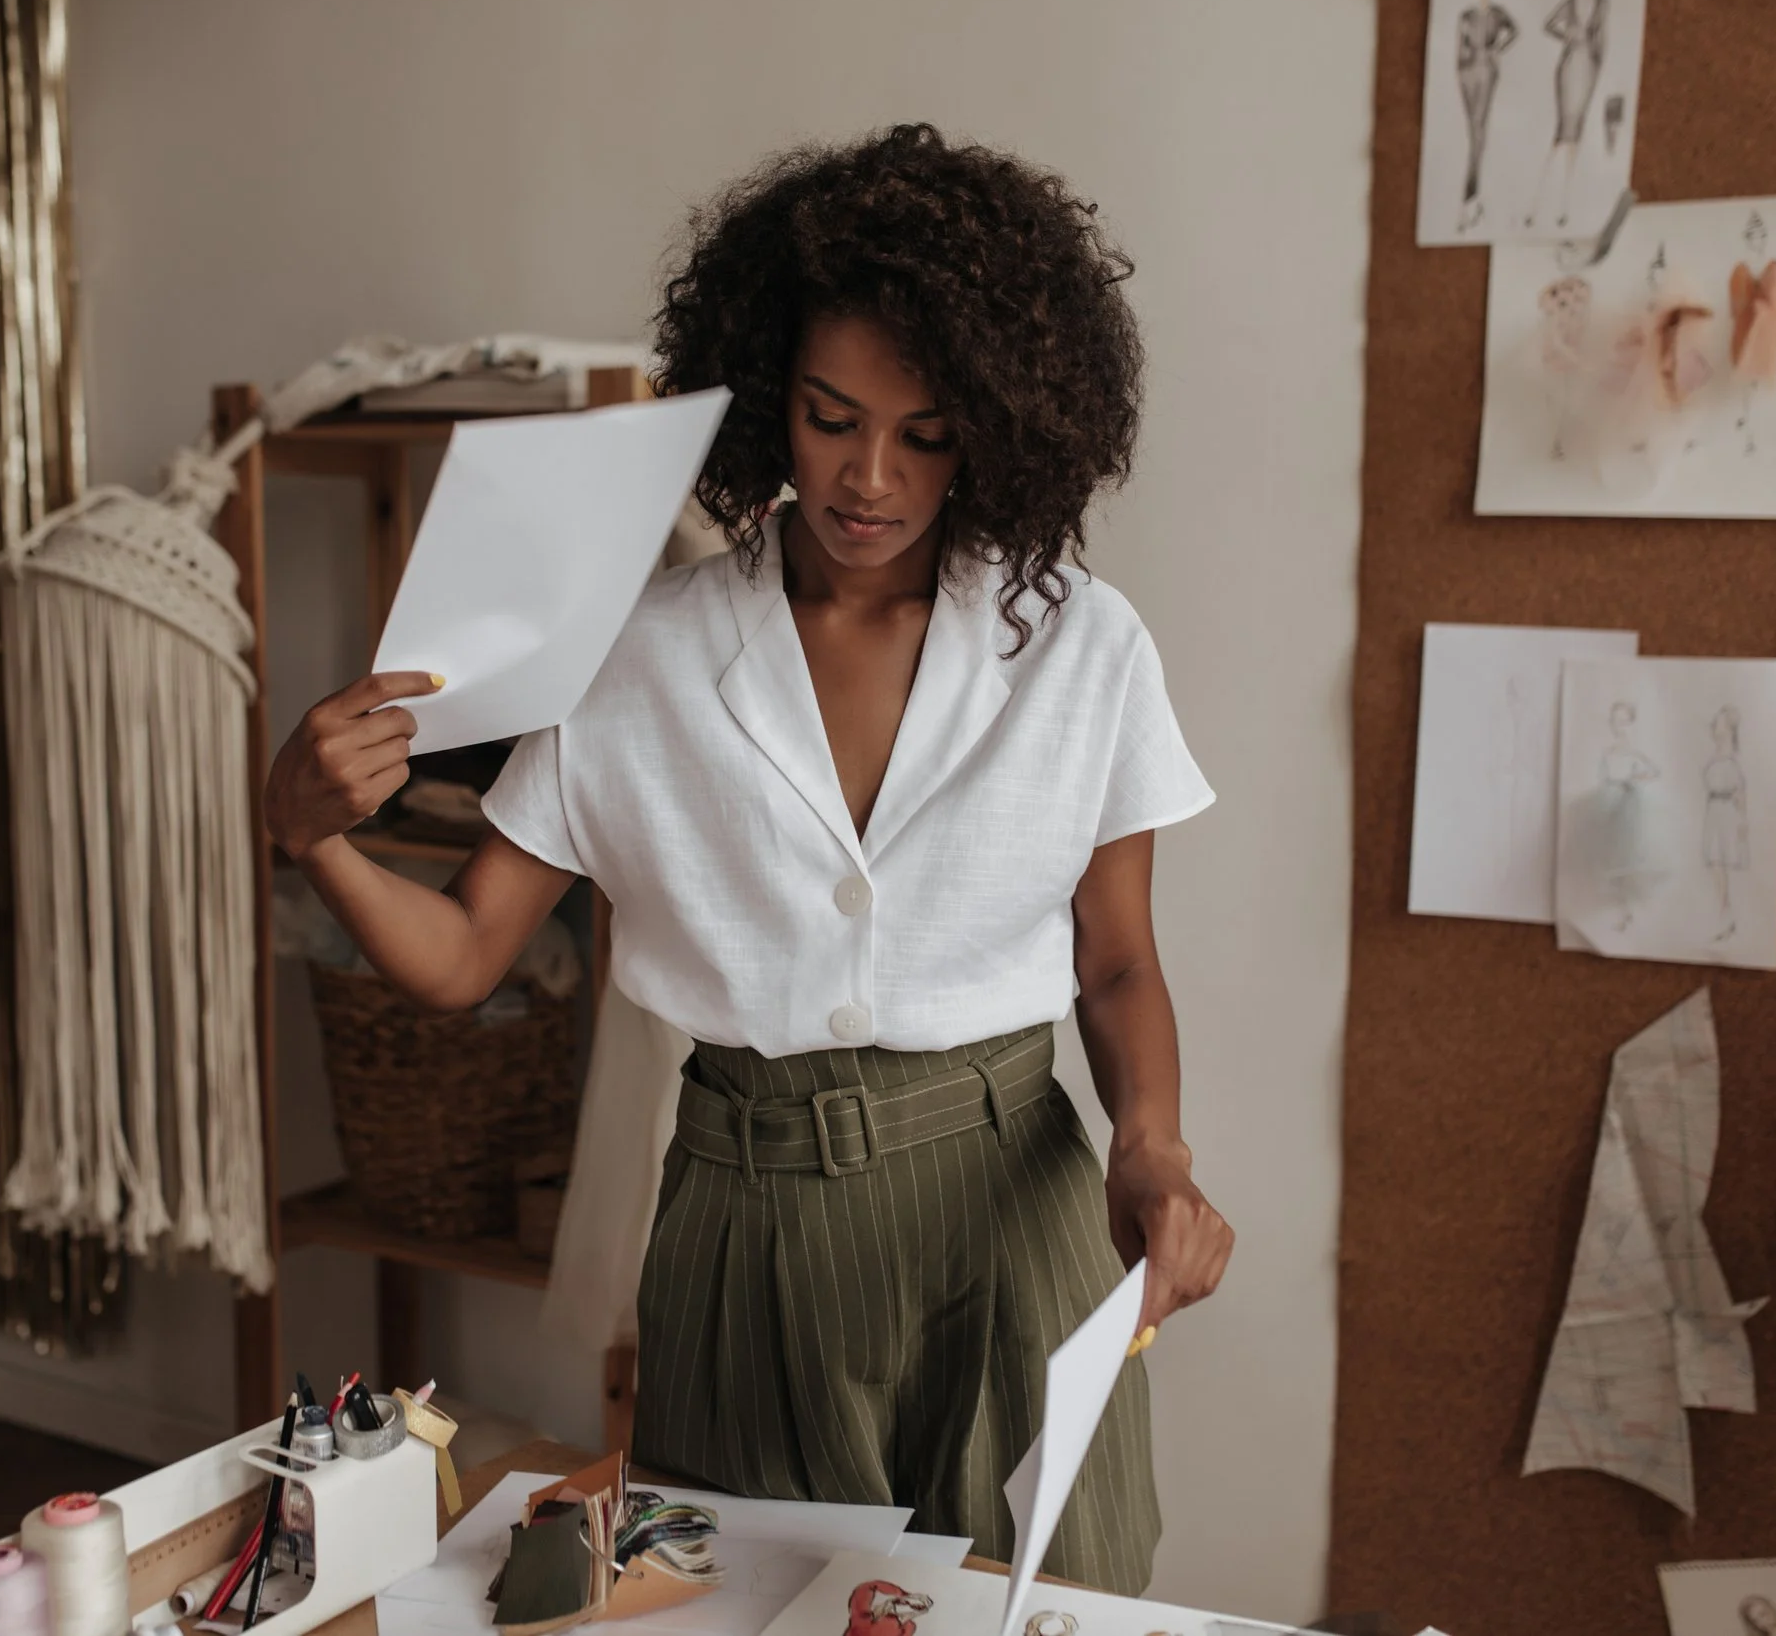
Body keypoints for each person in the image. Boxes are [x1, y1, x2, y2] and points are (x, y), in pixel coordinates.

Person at [262, 124, 1232, 1593]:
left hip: (1007, 1208)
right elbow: (464, 953)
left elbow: (1114, 957)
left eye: (927, 434)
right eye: (833, 416)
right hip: (745, 1226)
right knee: (748, 1614)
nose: (870, 477)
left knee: (1049, 1604)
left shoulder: (1081, 645)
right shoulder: (638, 657)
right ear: (769, 393)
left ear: (1001, 424)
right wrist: (306, 831)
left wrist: (1152, 1142)